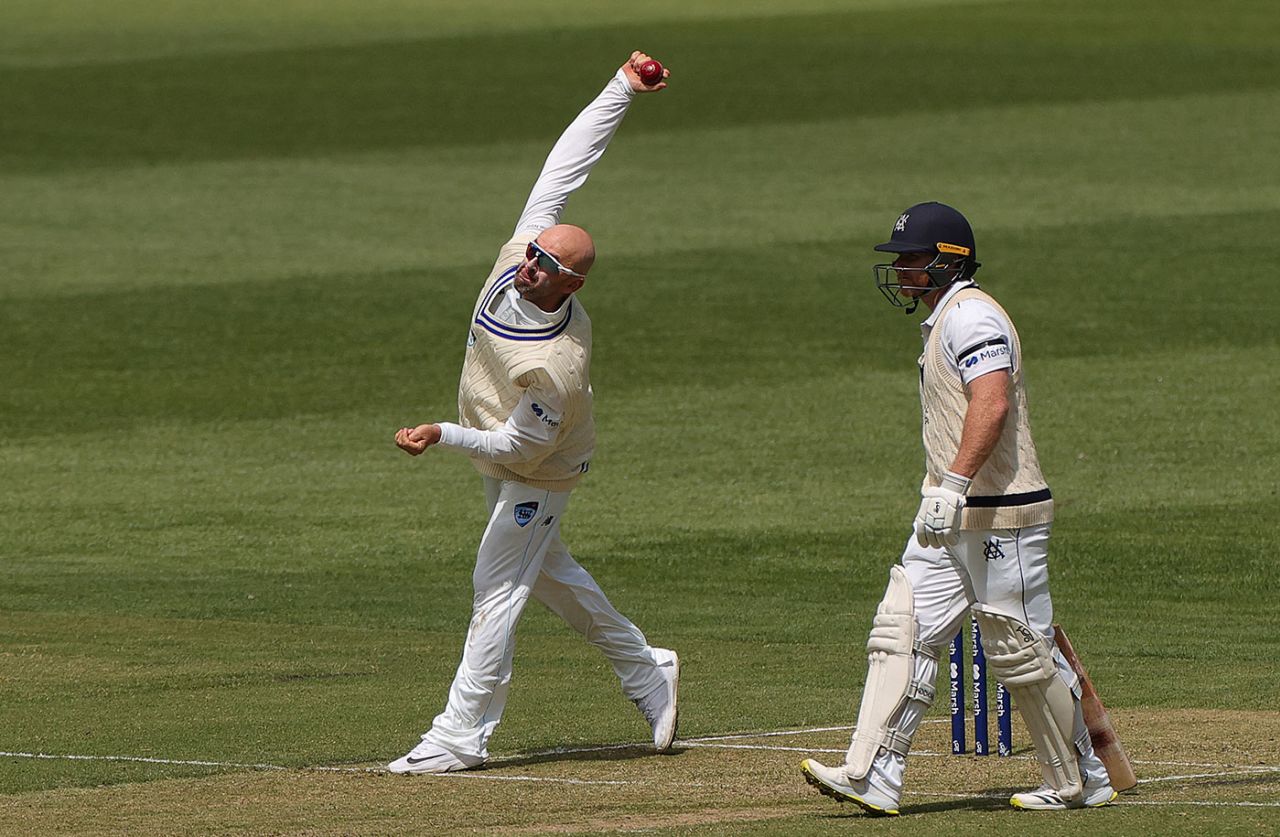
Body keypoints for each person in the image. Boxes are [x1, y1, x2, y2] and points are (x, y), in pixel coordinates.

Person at [386, 52, 679, 775]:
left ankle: (461, 734)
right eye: (533, 253)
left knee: (498, 585)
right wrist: (621, 88)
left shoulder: (557, 365)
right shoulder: (522, 249)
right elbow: (567, 164)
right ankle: (648, 668)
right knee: (544, 573)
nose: (528, 265)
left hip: (541, 465)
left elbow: (520, 449)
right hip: (501, 445)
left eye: (545, 265)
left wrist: (440, 433)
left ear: (569, 284)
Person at [800, 202, 1117, 813]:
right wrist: (943, 493)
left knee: (1020, 649)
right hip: (948, 511)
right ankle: (875, 773)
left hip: (1001, 510)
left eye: (912, 260)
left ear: (947, 261)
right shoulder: (947, 317)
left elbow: (991, 403)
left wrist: (953, 482)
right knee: (902, 628)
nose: (903, 272)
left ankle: (1079, 779)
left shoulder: (972, 318)